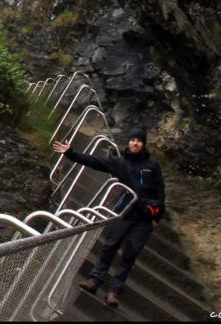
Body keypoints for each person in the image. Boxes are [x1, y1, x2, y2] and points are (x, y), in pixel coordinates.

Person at [51, 126, 165, 308]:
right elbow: (95, 162)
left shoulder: (152, 166)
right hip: (125, 211)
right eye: (133, 140)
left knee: (130, 253)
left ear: (143, 144)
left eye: (139, 141)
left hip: (144, 218)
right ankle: (95, 280)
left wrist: (157, 217)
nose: (135, 143)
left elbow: (160, 191)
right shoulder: (120, 163)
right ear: (129, 142)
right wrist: (71, 153)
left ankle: (114, 291)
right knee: (110, 246)